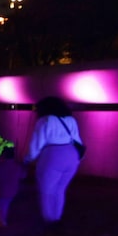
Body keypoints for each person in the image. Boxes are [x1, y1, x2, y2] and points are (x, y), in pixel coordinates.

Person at [22, 95, 84, 224]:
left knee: (46, 190)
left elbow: (37, 144)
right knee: (60, 189)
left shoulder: (45, 120)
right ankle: (57, 217)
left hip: (52, 154)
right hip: (71, 155)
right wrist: (78, 158)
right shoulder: (71, 120)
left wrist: (27, 159)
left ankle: (48, 219)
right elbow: (78, 140)